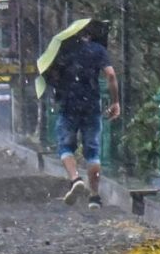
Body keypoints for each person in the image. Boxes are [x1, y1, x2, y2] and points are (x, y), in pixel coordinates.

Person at [49, 23, 120, 209]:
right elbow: (111, 75)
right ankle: (94, 197)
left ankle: (75, 179)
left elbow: (53, 76)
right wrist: (115, 101)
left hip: (68, 104)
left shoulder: (63, 50)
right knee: (93, 152)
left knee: (65, 147)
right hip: (91, 105)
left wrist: (58, 91)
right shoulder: (98, 50)